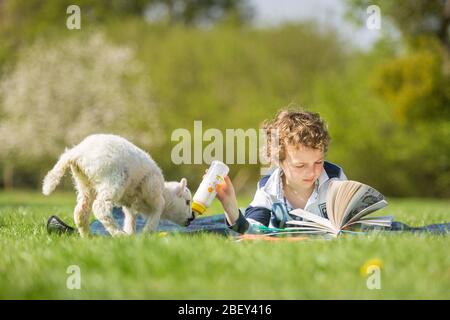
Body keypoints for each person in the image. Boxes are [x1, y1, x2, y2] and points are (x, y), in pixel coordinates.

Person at [213, 108, 449, 235]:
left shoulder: (334, 176)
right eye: (300, 165)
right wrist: (229, 205)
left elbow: (349, 222)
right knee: (214, 227)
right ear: (279, 161)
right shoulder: (269, 187)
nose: (312, 172)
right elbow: (249, 231)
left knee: (399, 231)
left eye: (318, 162)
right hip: (288, 236)